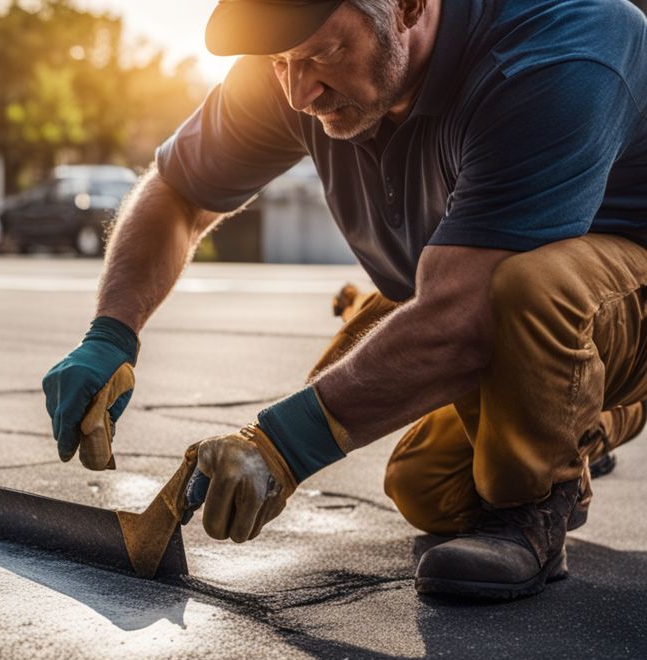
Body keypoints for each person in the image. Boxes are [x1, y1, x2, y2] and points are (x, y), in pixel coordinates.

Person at [43, 0, 647, 600]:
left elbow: (464, 316)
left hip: (604, 287)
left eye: (322, 54)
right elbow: (178, 193)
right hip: (466, 284)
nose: (300, 91)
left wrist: (277, 446)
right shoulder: (290, 72)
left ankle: (534, 510)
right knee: (426, 487)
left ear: (409, 6)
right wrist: (112, 332)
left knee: (519, 291)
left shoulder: (554, 52)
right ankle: (581, 418)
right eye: (281, 63)